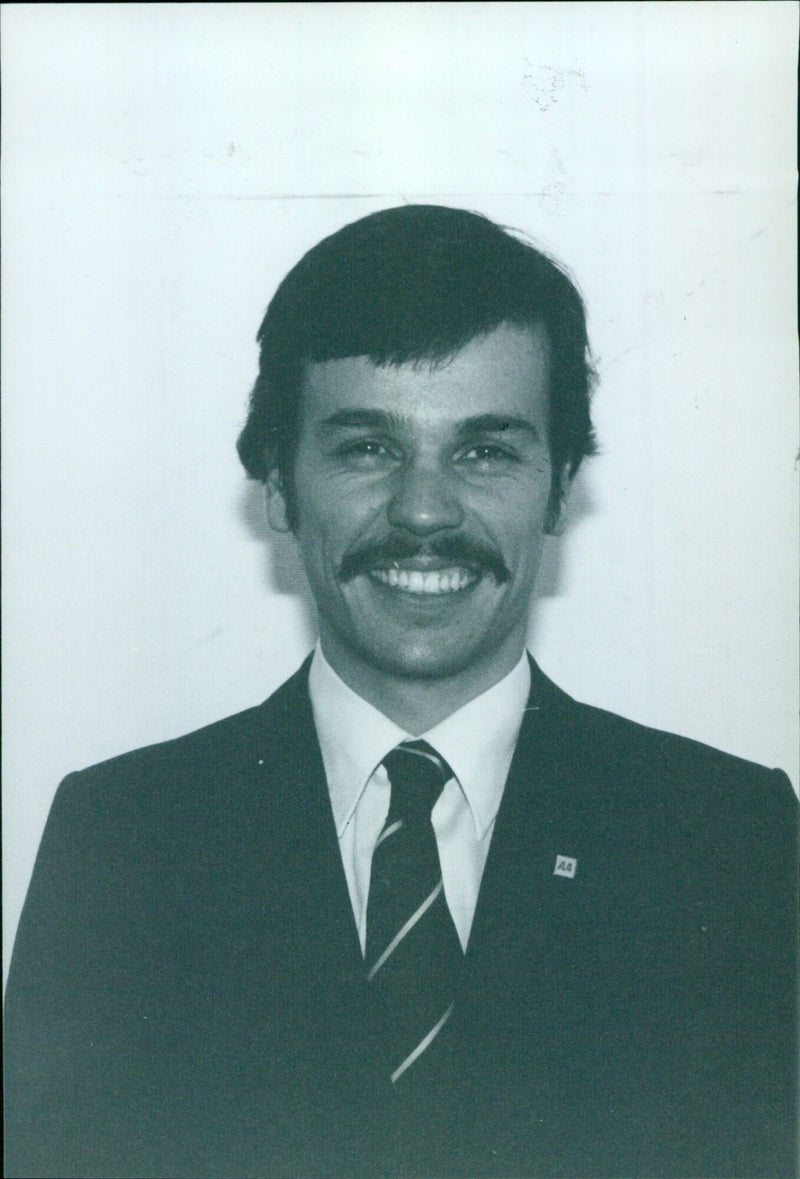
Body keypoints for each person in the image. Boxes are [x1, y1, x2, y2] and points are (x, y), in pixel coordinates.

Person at [5, 205, 796, 1179]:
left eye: (484, 450)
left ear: (558, 487)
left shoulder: (724, 839)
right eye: (367, 448)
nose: (424, 510)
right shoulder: (127, 840)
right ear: (278, 484)